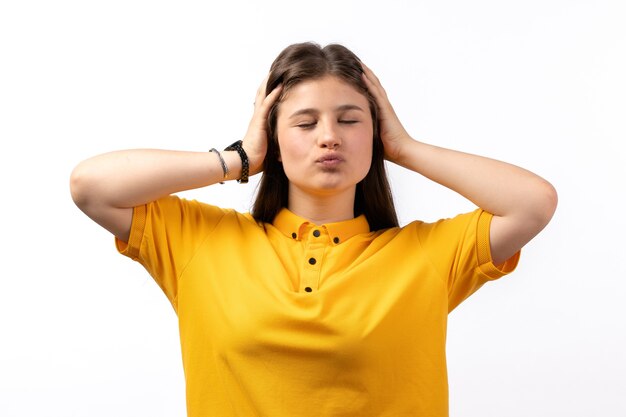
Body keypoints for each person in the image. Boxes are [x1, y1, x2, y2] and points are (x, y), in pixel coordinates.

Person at [70, 42, 557, 417]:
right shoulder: (200, 241)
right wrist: (239, 158)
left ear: (375, 134)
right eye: (305, 124)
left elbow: (532, 203)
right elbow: (91, 185)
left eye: (350, 119)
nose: (330, 136)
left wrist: (405, 148)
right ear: (275, 140)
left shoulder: (427, 255)